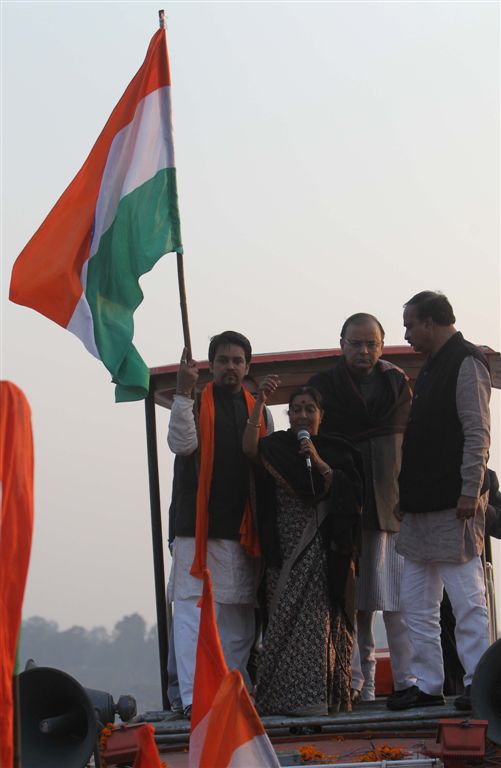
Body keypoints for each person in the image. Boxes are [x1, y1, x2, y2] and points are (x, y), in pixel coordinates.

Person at [389, 291, 491, 712]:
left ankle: (479, 683)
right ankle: (429, 684)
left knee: (467, 601)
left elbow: (476, 432)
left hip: (454, 503)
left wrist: (470, 490)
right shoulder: (431, 365)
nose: (408, 333)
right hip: (420, 506)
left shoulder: (466, 360)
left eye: (411, 324)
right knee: (417, 603)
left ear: (430, 322)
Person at [308, 313, 415, 703]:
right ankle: (359, 686)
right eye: (356, 343)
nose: (363, 350)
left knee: (398, 606)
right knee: (355, 608)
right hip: (345, 515)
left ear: (381, 346)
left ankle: (407, 682)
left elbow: (413, 444)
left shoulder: (396, 385)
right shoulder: (324, 389)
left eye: (371, 343)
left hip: (393, 511)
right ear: (341, 345)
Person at [243, 381, 363, 716]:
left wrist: (319, 461)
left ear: (321, 415)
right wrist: (259, 404)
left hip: (325, 550)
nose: (303, 415)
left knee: (316, 623)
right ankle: (279, 697)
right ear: (288, 414)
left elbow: (352, 497)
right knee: (282, 621)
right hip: (283, 547)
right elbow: (249, 449)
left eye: (310, 409)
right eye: (296, 409)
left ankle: (315, 699)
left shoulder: (338, 450)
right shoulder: (277, 446)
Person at [167, 331, 263, 718]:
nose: (230, 367)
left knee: (238, 618)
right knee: (192, 615)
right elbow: (182, 445)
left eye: (237, 361)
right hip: (196, 528)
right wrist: (181, 393)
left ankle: (233, 693)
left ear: (247, 367)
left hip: (240, 530)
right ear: (211, 365)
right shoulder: (193, 403)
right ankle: (193, 699)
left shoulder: (258, 409)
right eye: (223, 360)